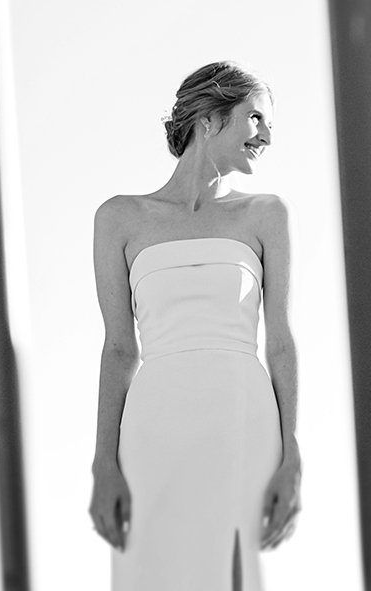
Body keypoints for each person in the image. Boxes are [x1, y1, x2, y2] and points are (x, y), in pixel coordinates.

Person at [88, 61, 302, 589]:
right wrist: (104, 463)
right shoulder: (118, 218)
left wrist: (291, 453)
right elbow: (118, 349)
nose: (268, 135)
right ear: (210, 118)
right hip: (152, 432)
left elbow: (280, 344)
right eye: (256, 119)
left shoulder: (266, 215)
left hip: (243, 421)